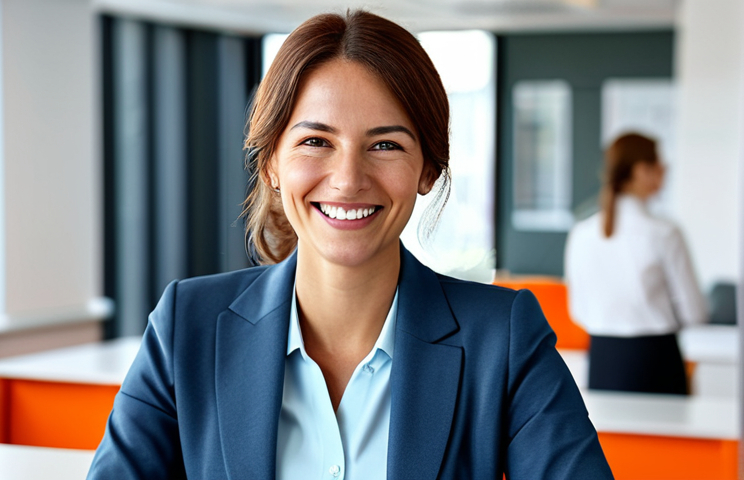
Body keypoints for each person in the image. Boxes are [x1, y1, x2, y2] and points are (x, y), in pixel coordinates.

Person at [88, 10, 613, 479]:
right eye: (316, 141)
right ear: (271, 162)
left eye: (385, 145)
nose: (347, 179)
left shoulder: (502, 338)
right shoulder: (187, 326)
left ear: (427, 169)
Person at [565, 133, 707, 395]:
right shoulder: (664, 232)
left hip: (602, 361)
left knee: (611, 436)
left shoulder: (581, 232)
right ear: (642, 170)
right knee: (666, 436)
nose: (664, 172)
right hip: (656, 359)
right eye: (660, 165)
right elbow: (694, 312)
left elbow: (578, 310)